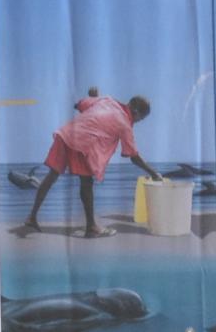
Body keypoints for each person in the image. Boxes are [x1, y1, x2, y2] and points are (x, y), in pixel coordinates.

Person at [23, 92, 165, 239]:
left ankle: (32, 217)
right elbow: (134, 156)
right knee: (86, 183)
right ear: (135, 112)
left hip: (66, 134)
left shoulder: (107, 100)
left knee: (51, 176)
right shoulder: (124, 124)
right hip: (83, 143)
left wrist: (92, 97)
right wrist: (153, 173)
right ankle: (91, 227)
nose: (136, 122)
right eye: (139, 119)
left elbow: (79, 104)